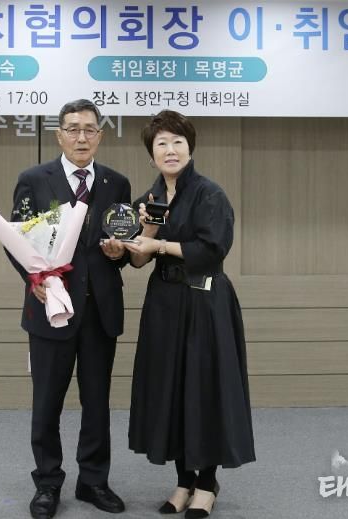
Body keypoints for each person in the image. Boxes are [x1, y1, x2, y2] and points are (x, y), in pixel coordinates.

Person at [124, 110, 255, 518]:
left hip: (205, 301)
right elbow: (138, 260)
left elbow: (212, 249)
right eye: (161, 143)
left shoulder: (209, 194)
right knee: (172, 390)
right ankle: (183, 480)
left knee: (205, 389)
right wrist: (146, 233)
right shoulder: (148, 201)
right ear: (151, 155)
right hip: (164, 304)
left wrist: (161, 246)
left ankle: (207, 483)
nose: (170, 150)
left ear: (190, 148)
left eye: (177, 142)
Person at [6, 99, 130, 519]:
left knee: (97, 403)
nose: (81, 137)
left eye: (89, 129)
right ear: (59, 135)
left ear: (100, 135)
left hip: (100, 312)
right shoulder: (34, 180)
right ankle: (47, 482)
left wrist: (119, 253)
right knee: (47, 403)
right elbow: (17, 240)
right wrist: (34, 280)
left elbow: (120, 243)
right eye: (73, 129)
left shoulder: (116, 183)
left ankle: (93, 480)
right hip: (51, 308)